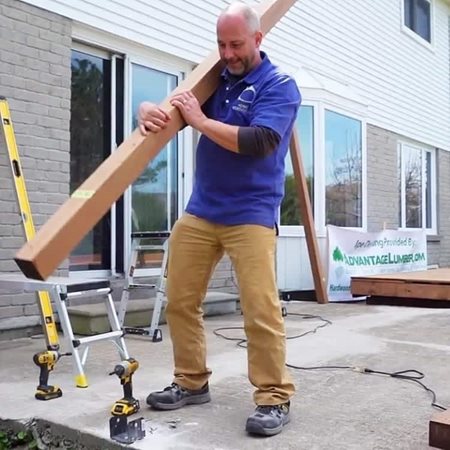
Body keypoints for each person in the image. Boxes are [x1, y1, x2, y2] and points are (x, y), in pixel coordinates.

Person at [137, 1, 301, 437]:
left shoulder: (279, 84)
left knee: (259, 308)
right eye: (221, 44)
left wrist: (200, 121)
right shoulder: (214, 78)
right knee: (179, 300)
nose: (227, 53)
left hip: (251, 214)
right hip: (201, 210)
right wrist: (147, 110)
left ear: (258, 39)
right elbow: (172, 109)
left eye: (236, 44)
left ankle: (274, 397)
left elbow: (260, 140)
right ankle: (191, 382)